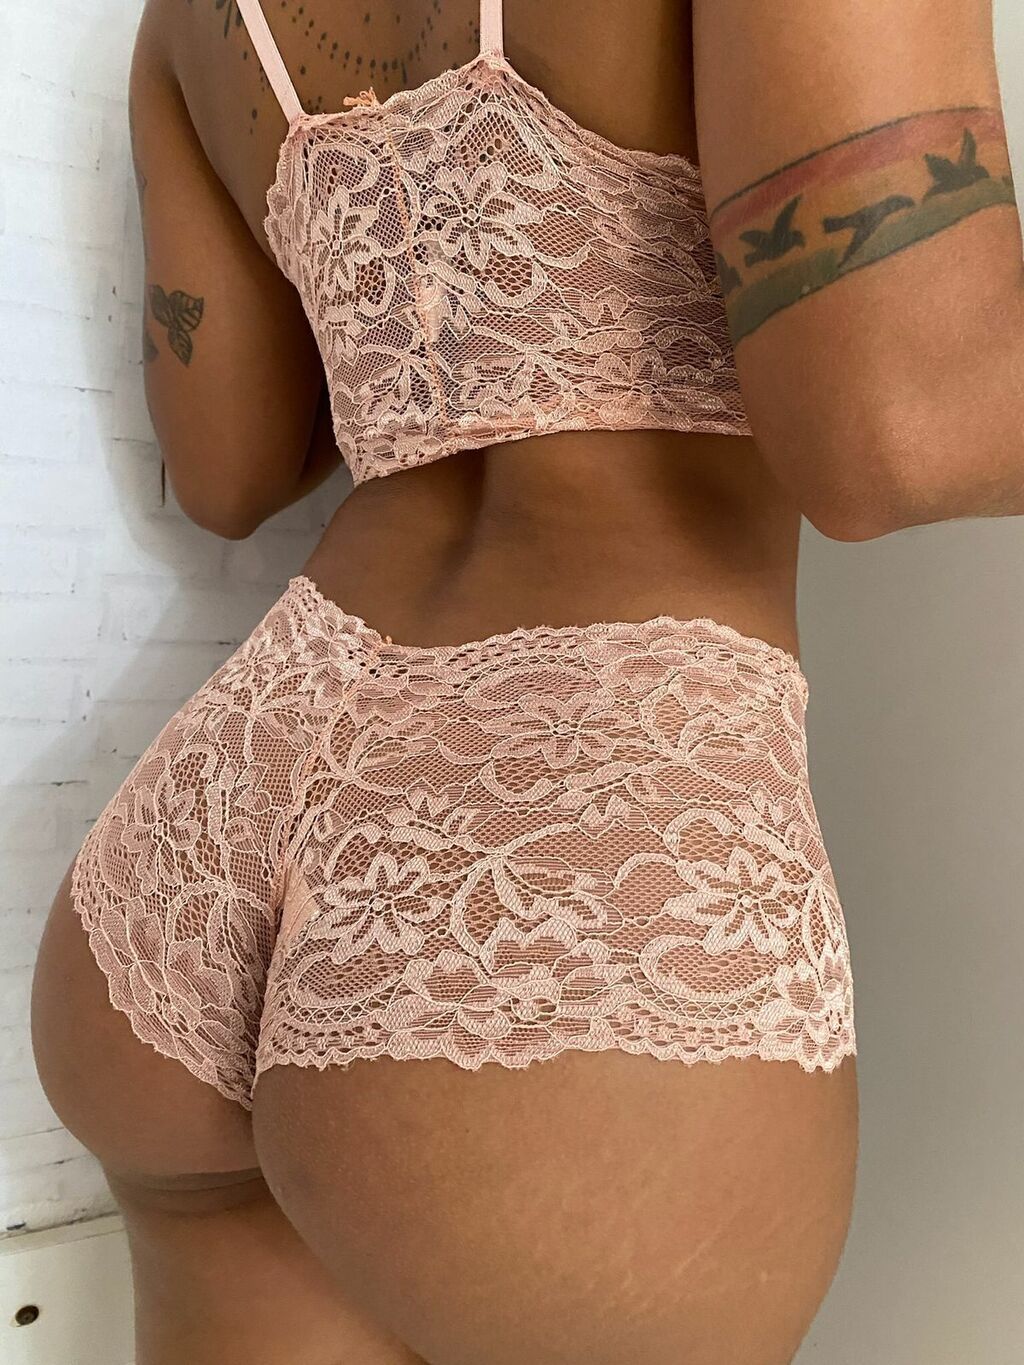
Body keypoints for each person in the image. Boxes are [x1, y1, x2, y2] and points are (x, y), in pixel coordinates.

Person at [30, 2, 1021, 1363]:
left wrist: (417, 298)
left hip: (215, 826)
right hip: (575, 835)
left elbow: (228, 468)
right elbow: (901, 426)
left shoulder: (185, 23)